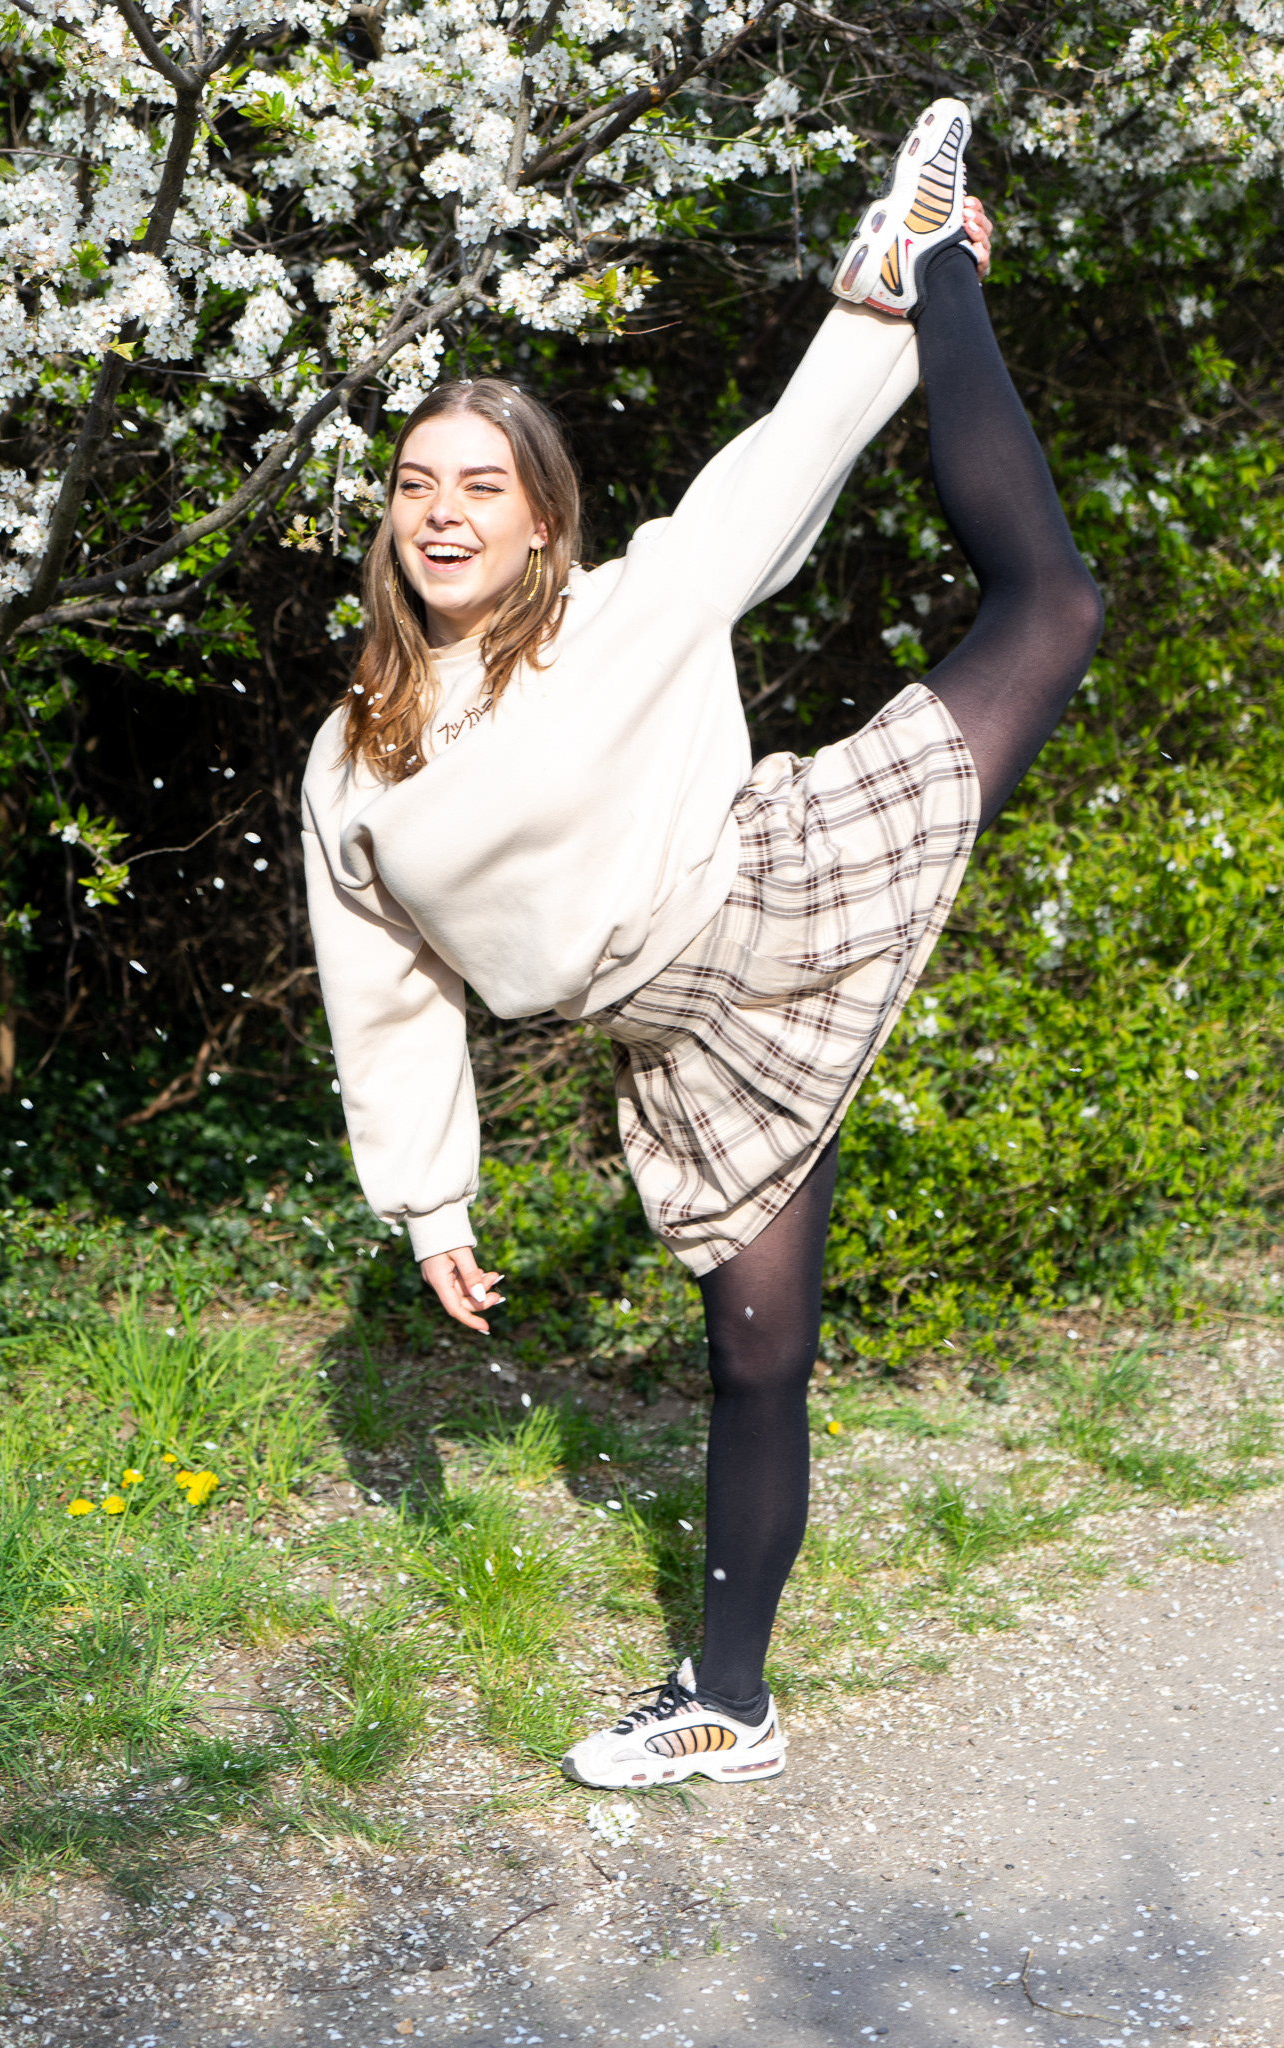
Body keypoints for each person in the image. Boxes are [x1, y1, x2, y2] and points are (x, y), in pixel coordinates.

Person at [302, 98, 1103, 1791]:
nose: (442, 512)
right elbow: (383, 986)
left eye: (481, 486)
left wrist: (884, 303)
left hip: (781, 884)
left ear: (540, 520)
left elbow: (781, 464)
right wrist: (431, 1202)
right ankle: (727, 1702)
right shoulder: (355, 750)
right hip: (674, 1037)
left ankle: (939, 268)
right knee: (756, 1352)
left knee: (1053, 609)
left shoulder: (620, 616)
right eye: (415, 486)